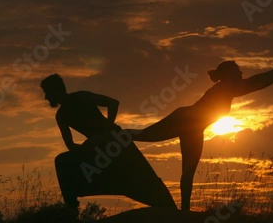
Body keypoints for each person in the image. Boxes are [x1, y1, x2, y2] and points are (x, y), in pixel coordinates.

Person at [125, 58, 273, 211]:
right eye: (237, 69)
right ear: (229, 73)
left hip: (194, 129)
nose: (241, 72)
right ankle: (117, 134)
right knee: (146, 135)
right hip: (185, 119)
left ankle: (185, 212)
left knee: (188, 170)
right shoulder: (226, 87)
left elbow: (253, 84)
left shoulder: (227, 88)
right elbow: (254, 83)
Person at [41, 74, 176, 219]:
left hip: (116, 142)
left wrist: (107, 128)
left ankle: (173, 212)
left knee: (149, 182)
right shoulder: (61, 116)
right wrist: (87, 147)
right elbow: (70, 145)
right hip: (97, 148)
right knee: (62, 161)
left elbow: (113, 103)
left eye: (47, 93)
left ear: (55, 91)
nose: (46, 98)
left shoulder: (82, 97)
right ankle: (72, 208)